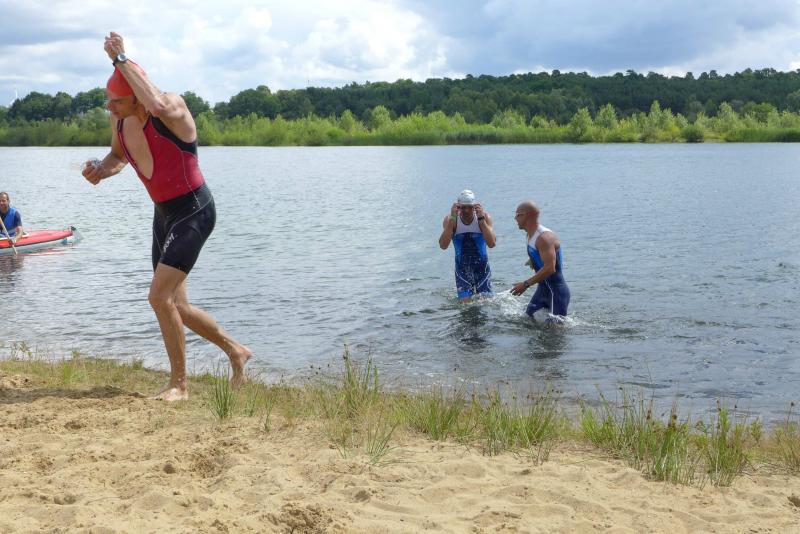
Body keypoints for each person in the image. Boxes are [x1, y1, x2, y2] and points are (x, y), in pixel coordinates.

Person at [81, 32, 251, 401]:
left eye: (116, 101)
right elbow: (118, 156)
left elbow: (156, 104)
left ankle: (179, 385)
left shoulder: (172, 109)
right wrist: (101, 170)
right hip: (164, 215)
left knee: (159, 297)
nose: (110, 107)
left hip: (194, 211)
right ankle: (236, 351)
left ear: (136, 96)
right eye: (108, 100)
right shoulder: (120, 121)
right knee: (178, 306)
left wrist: (120, 58)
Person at [511, 201, 570, 320]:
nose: (515, 218)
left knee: (557, 330)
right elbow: (540, 254)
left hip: (555, 293)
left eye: (517, 215)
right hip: (542, 290)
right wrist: (533, 260)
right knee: (527, 321)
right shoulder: (530, 235)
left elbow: (550, 268)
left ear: (526, 216)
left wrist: (525, 284)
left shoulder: (544, 238)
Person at [438, 189, 496, 301]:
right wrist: (452, 219)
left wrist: (481, 220)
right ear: (458, 207)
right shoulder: (451, 219)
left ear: (474, 206)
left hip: (482, 269)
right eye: (463, 207)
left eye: (469, 207)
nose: (466, 210)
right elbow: (443, 246)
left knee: (487, 302)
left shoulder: (484, 217)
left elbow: (492, 244)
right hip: (462, 270)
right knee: (465, 305)